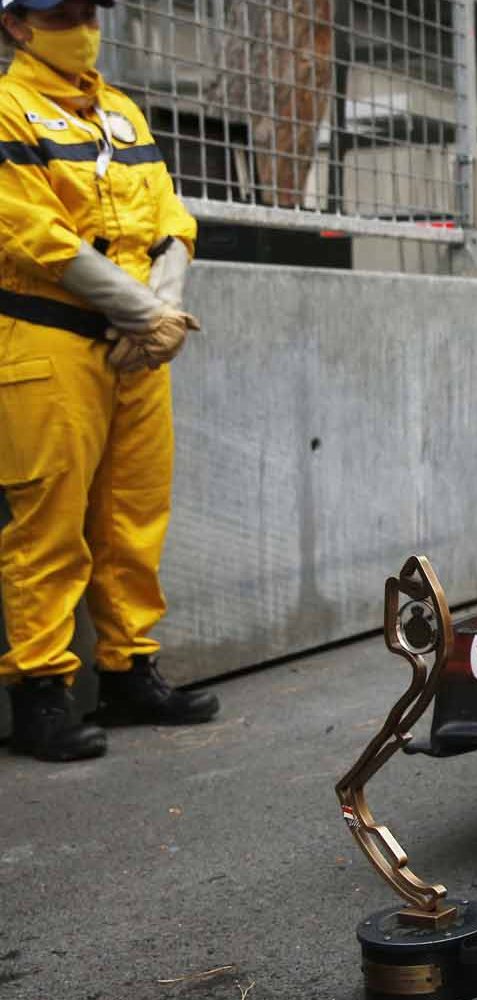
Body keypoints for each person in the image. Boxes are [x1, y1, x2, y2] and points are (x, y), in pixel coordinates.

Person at [0, 0, 219, 762]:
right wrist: (144, 315)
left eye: (88, 10)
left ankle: (130, 671)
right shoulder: (8, 109)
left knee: (135, 510)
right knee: (48, 519)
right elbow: (32, 234)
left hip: (138, 348)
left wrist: (164, 311)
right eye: (61, 11)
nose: (82, 25)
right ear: (16, 27)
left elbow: (170, 219)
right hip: (49, 340)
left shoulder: (121, 112)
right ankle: (40, 693)